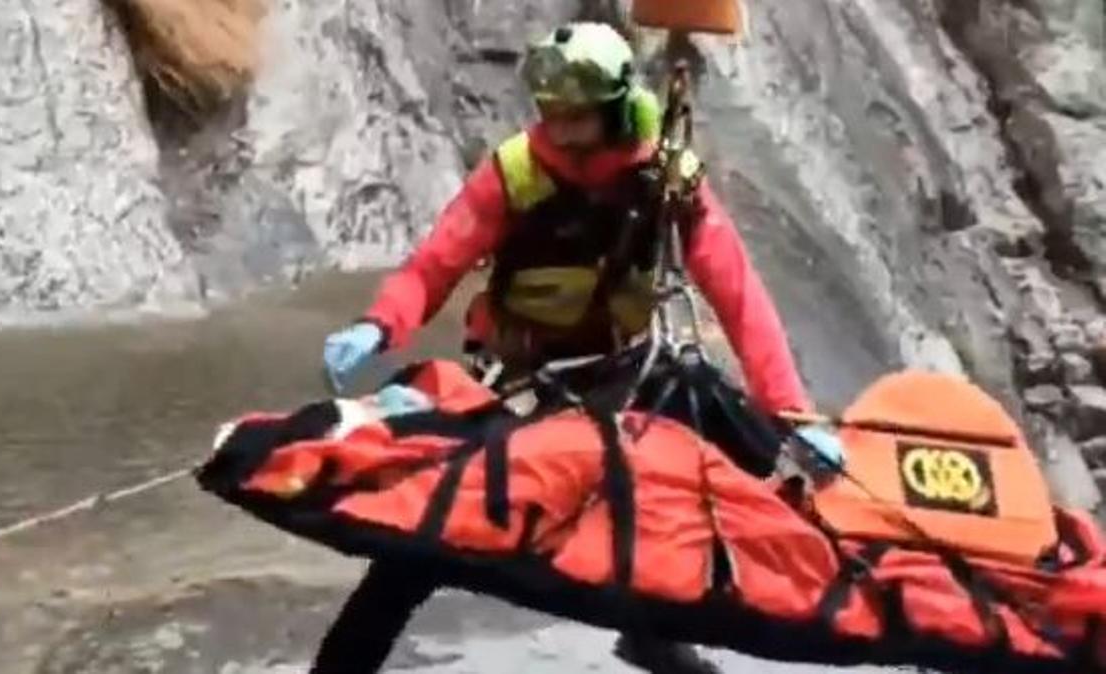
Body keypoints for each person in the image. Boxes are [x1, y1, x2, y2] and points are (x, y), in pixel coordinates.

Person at [314, 21, 844, 673]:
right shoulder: (516, 172)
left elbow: (739, 297)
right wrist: (378, 326)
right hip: (519, 382)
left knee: (722, 453)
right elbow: (434, 266)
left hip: (624, 372)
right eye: (550, 115)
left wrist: (794, 414)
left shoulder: (668, 179)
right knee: (427, 532)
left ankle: (669, 627)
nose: (557, 133)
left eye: (575, 118)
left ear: (616, 109)